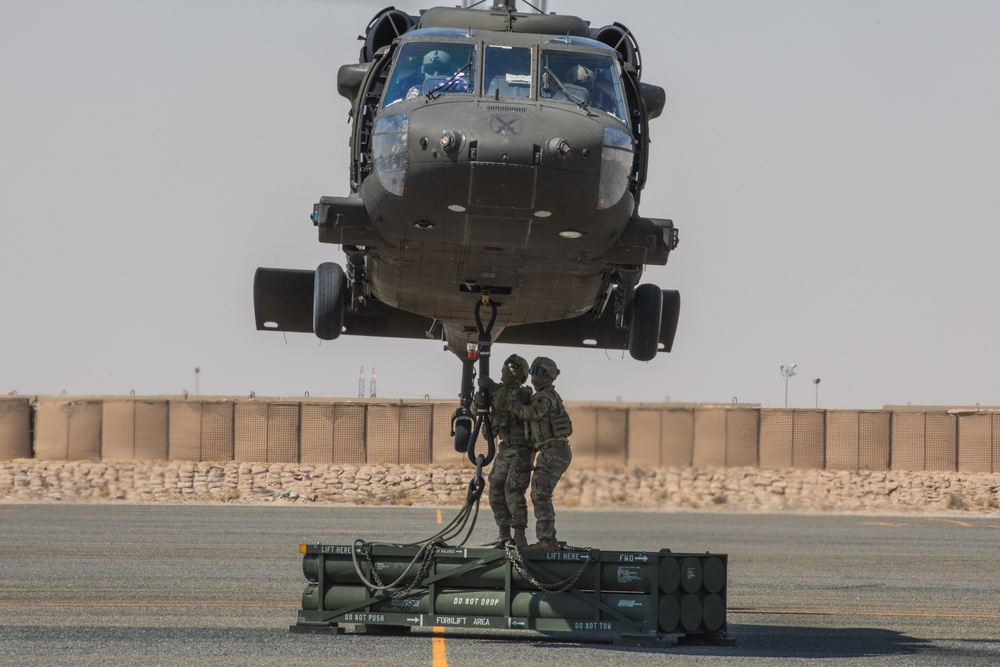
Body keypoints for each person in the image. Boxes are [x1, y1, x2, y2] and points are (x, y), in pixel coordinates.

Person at [508, 357, 573, 551]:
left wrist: (510, 405)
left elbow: (533, 413)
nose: (534, 375)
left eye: (539, 371)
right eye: (533, 370)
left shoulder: (545, 396)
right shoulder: (545, 395)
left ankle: (546, 541)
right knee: (540, 492)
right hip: (550, 450)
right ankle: (547, 539)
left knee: (539, 493)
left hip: (554, 450)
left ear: (549, 376)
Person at [483, 354, 534, 548]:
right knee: (495, 486)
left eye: (513, 367)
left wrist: (492, 388)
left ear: (521, 374)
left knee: (513, 490)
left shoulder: (523, 394)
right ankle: (503, 533)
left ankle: (519, 535)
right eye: (506, 365)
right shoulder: (497, 392)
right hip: (505, 447)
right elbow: (477, 410)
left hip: (523, 449)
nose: (507, 369)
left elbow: (512, 398)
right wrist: (479, 398)